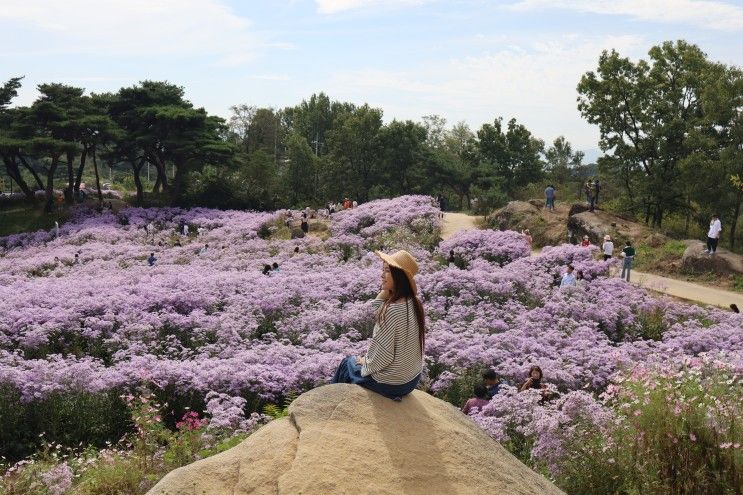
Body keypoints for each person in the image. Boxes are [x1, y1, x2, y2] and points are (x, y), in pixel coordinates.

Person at [332, 250, 424, 401]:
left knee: (347, 363)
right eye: (383, 270)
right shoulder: (414, 303)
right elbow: (381, 316)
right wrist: (383, 293)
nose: (382, 275)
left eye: (387, 271)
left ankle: (332, 404)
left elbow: (383, 355)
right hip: (411, 380)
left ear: (399, 276)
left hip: (392, 384)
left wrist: (365, 363)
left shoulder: (392, 310)